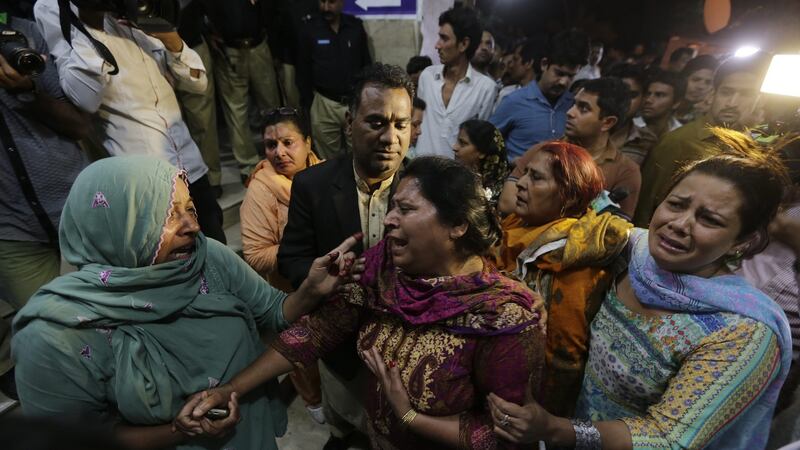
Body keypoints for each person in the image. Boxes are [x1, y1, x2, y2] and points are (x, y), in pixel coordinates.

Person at [181, 156, 546, 450]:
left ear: (457, 225)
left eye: (405, 209)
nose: (388, 220)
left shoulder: (504, 319)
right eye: (392, 207)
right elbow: (318, 330)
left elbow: (504, 435)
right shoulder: (384, 264)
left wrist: (411, 418)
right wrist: (231, 389)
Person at [12, 156, 360, 450]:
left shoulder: (208, 260)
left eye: (190, 209)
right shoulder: (56, 337)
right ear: (113, 226)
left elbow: (273, 312)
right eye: (167, 215)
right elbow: (77, 439)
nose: (192, 226)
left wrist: (310, 291)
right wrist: (178, 431)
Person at [487, 142, 791, 450]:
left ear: (743, 241)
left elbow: (668, 440)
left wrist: (554, 429)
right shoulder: (630, 251)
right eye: (676, 204)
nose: (679, 224)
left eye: (709, 220)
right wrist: (532, 294)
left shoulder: (742, 334)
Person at [277, 63, 414, 450]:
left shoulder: (425, 185)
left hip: (406, 347)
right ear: (349, 121)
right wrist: (324, 276)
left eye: (401, 125)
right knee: (349, 430)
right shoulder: (313, 185)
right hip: (341, 350)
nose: (390, 138)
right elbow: (292, 258)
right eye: (376, 122)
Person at [34, 0, 227, 244]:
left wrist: (170, 38)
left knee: (219, 258)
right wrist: (92, 24)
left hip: (190, 166)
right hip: (145, 181)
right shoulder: (55, 7)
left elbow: (197, 82)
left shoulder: (133, 8)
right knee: (172, 270)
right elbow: (84, 99)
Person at [493, 141, 632, 417]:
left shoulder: (571, 264)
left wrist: (543, 421)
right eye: (525, 173)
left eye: (536, 178)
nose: (520, 183)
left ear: (568, 197)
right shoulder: (519, 223)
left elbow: (563, 361)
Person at [0, 11, 90, 400]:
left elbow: (79, 124)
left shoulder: (24, 34)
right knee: (53, 329)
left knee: (116, 313)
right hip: (12, 227)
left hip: (77, 208)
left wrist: (28, 91)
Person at [239, 107, 325, 424]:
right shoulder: (261, 192)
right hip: (291, 293)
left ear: (307, 143)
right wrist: (307, 250)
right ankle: (315, 404)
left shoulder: (327, 175)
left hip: (332, 286)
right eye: (271, 145)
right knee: (302, 355)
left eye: (288, 142)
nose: (280, 152)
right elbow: (255, 254)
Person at [633, 53, 771, 227]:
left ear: (759, 100)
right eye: (726, 92)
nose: (732, 102)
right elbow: (645, 205)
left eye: (745, 94)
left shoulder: (752, 145)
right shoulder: (679, 140)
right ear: (713, 94)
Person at [498, 77, 641, 217]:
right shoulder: (543, 151)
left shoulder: (626, 172)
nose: (570, 112)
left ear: (607, 122)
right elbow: (507, 202)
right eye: (574, 104)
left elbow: (614, 230)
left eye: (583, 108)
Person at [205, 0, 281, 180]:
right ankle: (248, 166)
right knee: (236, 112)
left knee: (271, 107)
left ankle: (279, 154)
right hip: (230, 51)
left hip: (259, 46)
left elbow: (272, 11)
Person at [491, 29, 590, 161]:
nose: (563, 82)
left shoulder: (573, 107)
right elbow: (488, 144)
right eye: (559, 73)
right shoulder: (514, 101)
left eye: (571, 76)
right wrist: (514, 162)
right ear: (544, 64)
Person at [415, 6, 497, 158]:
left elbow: (479, 142)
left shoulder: (485, 88)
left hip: (456, 177)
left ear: (463, 44)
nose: (437, 45)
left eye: (444, 38)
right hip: (419, 171)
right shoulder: (427, 77)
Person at [296, 0, 372, 160]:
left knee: (361, 156)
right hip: (324, 104)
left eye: (331, 2)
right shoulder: (309, 29)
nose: (325, 7)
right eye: (322, 2)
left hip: (354, 103)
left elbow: (366, 66)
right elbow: (303, 72)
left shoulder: (355, 27)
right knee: (329, 162)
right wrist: (310, 105)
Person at [175, 0, 222, 197]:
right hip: (146, 50)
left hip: (189, 42)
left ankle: (211, 178)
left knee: (202, 120)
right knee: (168, 123)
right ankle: (177, 182)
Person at [622, 69, 685, 165]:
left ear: (676, 103)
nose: (648, 100)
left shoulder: (680, 134)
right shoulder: (628, 126)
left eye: (659, 95)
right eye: (647, 94)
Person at [452, 119, 510, 208]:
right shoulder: (452, 176)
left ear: (482, 152)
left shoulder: (499, 192)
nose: (454, 147)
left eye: (463, 143)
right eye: (457, 142)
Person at [607, 63, 645, 151]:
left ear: (643, 98)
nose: (626, 100)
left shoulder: (646, 142)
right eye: (619, 93)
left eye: (633, 95)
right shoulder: (583, 128)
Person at [492, 38, 536, 114]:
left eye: (516, 59)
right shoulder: (506, 94)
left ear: (528, 63)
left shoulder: (544, 100)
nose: (511, 66)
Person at [676, 54, 719, 124]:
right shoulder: (665, 105)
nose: (700, 87)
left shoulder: (710, 117)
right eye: (695, 80)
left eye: (708, 83)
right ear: (683, 79)